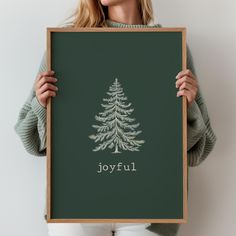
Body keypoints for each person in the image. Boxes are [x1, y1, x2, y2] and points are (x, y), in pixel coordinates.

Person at [14, 0, 217, 235]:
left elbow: (199, 150)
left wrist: (189, 107)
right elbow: (32, 141)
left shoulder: (170, 45)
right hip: (76, 201)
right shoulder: (67, 45)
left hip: (151, 206)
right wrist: (41, 104)